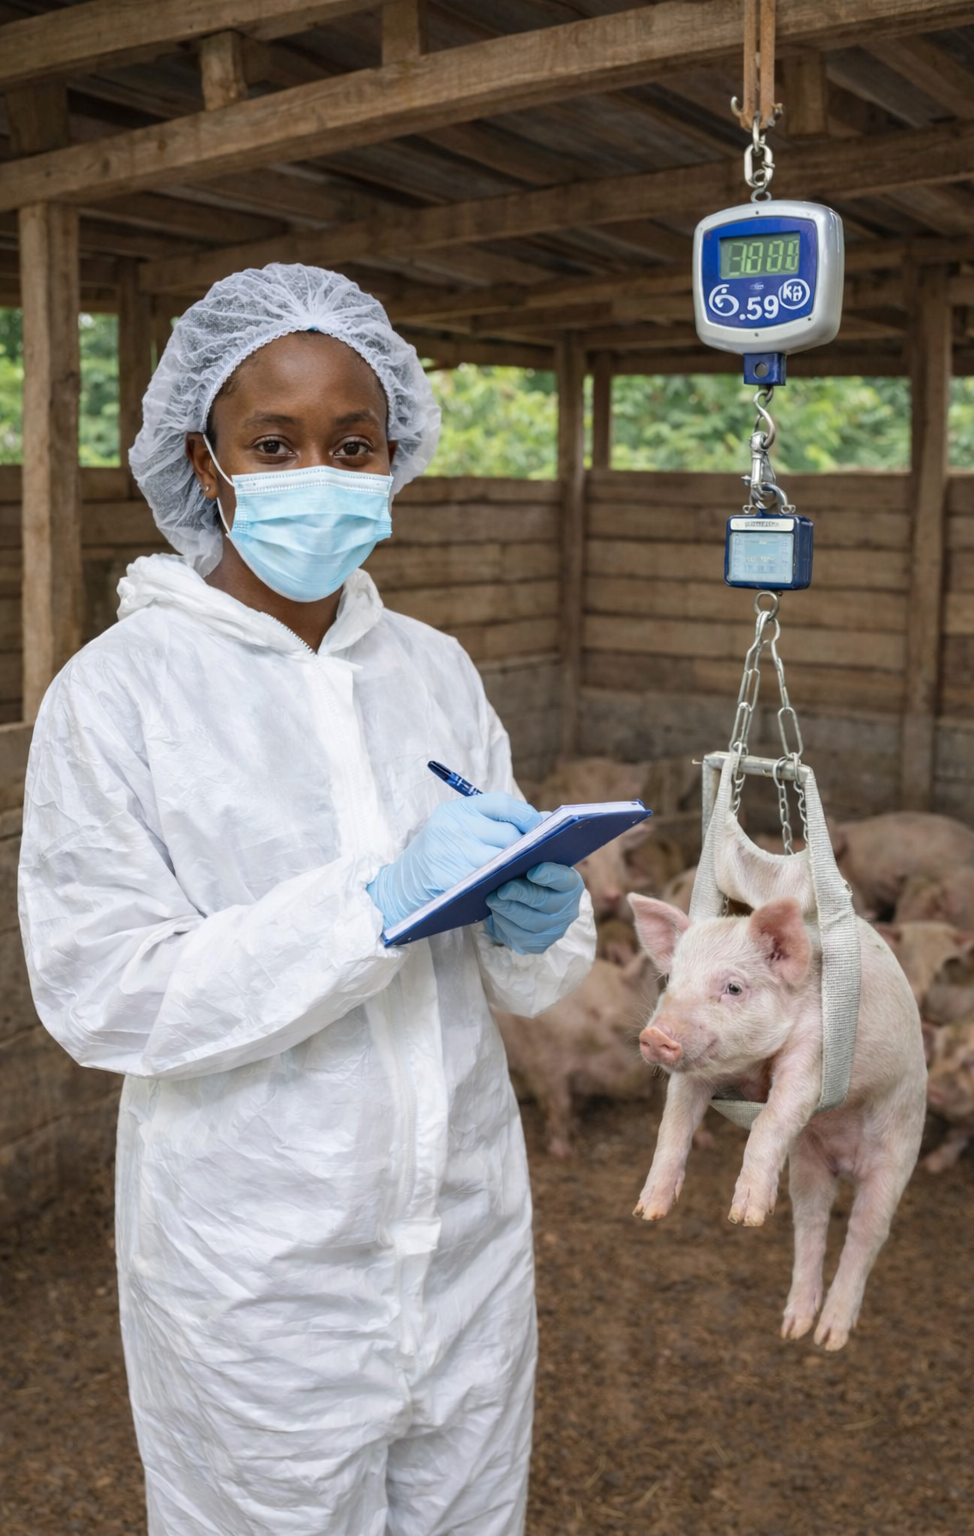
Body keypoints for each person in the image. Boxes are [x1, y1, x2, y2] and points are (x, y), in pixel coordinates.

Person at [18, 263, 596, 1536]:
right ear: (203, 460)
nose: (317, 471)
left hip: (463, 1242)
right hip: (256, 1270)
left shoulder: (434, 671)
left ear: (395, 458)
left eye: (352, 441)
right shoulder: (119, 695)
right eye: (271, 443)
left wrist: (540, 918)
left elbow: (533, 973)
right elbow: (104, 992)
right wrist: (371, 908)